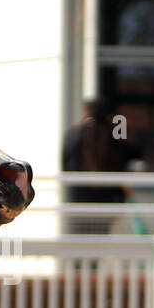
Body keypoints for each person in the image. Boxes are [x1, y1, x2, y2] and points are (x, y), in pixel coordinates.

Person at [62, 97, 131, 235]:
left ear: (85, 112)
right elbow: (122, 162)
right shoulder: (113, 135)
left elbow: (66, 165)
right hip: (106, 196)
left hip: (80, 197)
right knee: (99, 238)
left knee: (79, 239)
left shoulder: (73, 134)